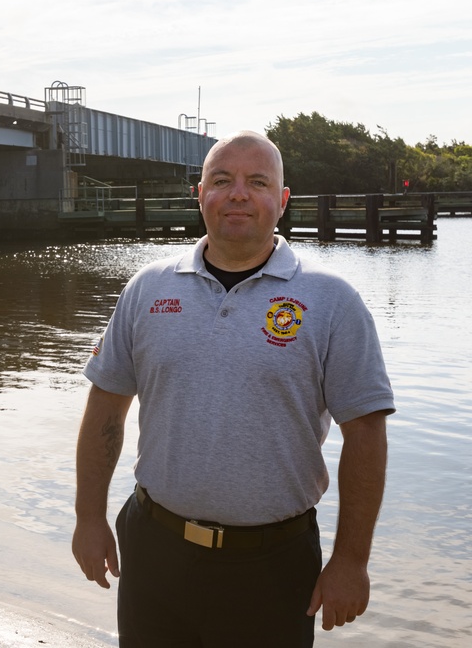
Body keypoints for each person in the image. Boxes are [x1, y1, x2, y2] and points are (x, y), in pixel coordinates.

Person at [71, 130, 394, 647]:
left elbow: (366, 433)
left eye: (257, 182)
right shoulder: (148, 288)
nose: (238, 193)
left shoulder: (332, 300)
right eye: (222, 180)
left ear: (282, 201)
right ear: (200, 194)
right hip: (155, 549)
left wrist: (351, 561)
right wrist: (88, 518)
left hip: (273, 563)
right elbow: (107, 405)